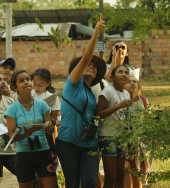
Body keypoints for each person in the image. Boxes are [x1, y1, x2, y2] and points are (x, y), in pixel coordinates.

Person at [54, 14, 106, 188]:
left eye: (94, 66)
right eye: (88, 65)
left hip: (89, 144)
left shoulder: (92, 94)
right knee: (72, 184)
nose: (90, 65)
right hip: (68, 143)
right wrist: (96, 32)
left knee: (90, 183)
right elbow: (85, 58)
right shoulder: (73, 83)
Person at [5, 70, 57, 188]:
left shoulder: (42, 105)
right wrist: (27, 133)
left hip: (43, 152)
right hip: (24, 155)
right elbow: (12, 137)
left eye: (28, 79)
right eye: (21, 81)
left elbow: (50, 130)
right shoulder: (12, 109)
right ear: (15, 87)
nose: (26, 82)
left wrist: (49, 127)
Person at [96, 65, 133, 188]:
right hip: (107, 137)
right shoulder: (107, 91)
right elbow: (98, 114)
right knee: (111, 178)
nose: (124, 74)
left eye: (126, 72)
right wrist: (118, 106)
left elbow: (125, 119)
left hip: (121, 138)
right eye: (120, 72)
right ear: (112, 77)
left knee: (120, 177)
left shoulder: (127, 94)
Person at [124, 76, 149, 188]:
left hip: (138, 140)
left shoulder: (143, 101)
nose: (132, 83)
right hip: (124, 139)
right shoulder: (121, 101)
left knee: (137, 169)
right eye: (129, 82)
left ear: (138, 86)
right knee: (125, 168)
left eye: (134, 81)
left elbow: (148, 120)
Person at [31, 68, 60, 155]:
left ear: (48, 83)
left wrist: (45, 114)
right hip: (30, 132)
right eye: (34, 84)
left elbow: (54, 122)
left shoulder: (53, 97)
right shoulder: (29, 94)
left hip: (45, 135)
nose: (36, 87)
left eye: (40, 85)